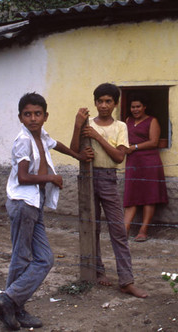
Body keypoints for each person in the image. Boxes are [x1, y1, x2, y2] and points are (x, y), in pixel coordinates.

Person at [0, 92, 93, 330]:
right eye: (28, 114)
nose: (33, 118)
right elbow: (24, 177)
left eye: (37, 114)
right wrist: (52, 178)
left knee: (44, 259)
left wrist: (77, 155)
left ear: (45, 116)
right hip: (23, 203)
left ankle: (9, 301)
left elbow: (57, 145)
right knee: (22, 257)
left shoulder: (41, 136)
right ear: (20, 117)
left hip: (35, 204)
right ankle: (14, 307)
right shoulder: (23, 140)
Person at [70, 83, 148, 298]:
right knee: (91, 228)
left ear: (115, 104)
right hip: (87, 178)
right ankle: (96, 272)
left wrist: (97, 137)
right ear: (95, 102)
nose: (103, 105)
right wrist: (78, 126)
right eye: (100, 101)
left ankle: (126, 280)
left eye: (108, 102)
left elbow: (119, 156)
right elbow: (75, 149)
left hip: (107, 179)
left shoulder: (120, 126)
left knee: (118, 231)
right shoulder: (86, 123)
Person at [123, 95, 168, 242]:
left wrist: (134, 147)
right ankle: (125, 229)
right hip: (132, 161)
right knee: (131, 194)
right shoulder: (128, 121)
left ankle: (143, 230)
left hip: (149, 160)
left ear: (144, 107)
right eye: (132, 107)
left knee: (149, 195)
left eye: (138, 106)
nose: (135, 109)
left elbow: (154, 142)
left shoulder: (152, 121)